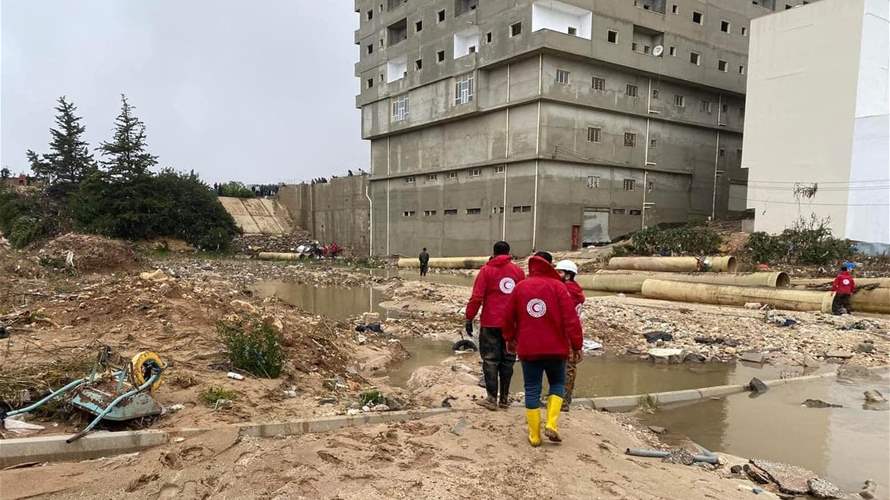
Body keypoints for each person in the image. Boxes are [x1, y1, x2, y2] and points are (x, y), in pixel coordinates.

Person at [502, 251, 583, 447]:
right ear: (550, 266)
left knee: (532, 388)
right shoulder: (559, 287)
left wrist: (510, 339)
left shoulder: (521, 287)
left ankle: (534, 436)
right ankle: (552, 424)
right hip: (557, 348)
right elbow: (571, 320)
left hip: (529, 349)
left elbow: (507, 317)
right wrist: (577, 344)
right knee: (557, 384)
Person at [465, 241, 525, 410]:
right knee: (508, 361)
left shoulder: (486, 271)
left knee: (490, 360)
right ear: (508, 252)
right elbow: (523, 296)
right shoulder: (518, 272)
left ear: (494, 252)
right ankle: (504, 399)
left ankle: (492, 399)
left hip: (491, 323)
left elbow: (477, 297)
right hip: (512, 324)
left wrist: (469, 318)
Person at [554, 259, 584, 412]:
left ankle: (563, 401)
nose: (557, 274)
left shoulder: (567, 291)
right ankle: (563, 399)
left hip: (567, 334)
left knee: (566, 368)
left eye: (560, 272)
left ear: (568, 275)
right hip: (571, 333)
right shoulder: (574, 289)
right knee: (567, 368)